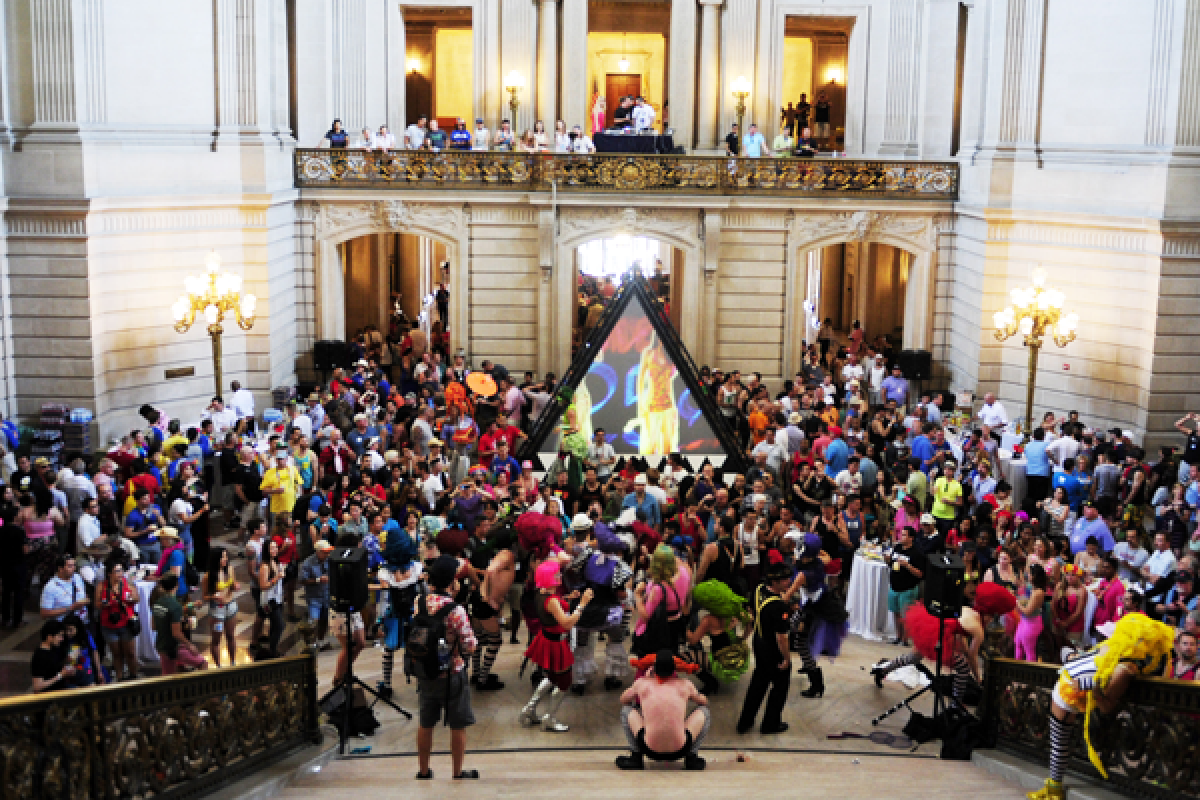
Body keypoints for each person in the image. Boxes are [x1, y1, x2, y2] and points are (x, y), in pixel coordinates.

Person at [1025, 615, 1175, 800]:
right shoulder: (1115, 650)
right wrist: (1075, 659)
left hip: (1068, 694)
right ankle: (1054, 785)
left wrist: (1091, 685)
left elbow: (1106, 706)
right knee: (1058, 742)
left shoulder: (1125, 668)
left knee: (1059, 742)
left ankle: (1055, 787)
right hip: (1067, 685)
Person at [413, 554, 479, 781]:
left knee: (426, 722)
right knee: (457, 724)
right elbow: (470, 646)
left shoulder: (419, 602)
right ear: (452, 582)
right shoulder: (456, 610)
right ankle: (457, 772)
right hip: (452, 672)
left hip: (425, 671)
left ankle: (423, 771)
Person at [520, 559, 594, 732]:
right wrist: (582, 604)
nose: (559, 575)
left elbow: (553, 606)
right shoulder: (551, 600)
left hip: (548, 639)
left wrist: (568, 598)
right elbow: (567, 623)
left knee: (552, 677)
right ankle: (549, 718)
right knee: (564, 681)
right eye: (556, 574)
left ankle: (529, 709)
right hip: (555, 643)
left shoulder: (542, 592)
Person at [615, 650, 710, 771]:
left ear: (654, 668)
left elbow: (623, 700)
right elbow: (704, 701)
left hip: (648, 748)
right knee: (704, 711)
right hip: (681, 749)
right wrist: (691, 694)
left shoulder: (642, 683)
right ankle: (691, 757)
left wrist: (646, 679)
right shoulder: (686, 685)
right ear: (674, 670)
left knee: (626, 710)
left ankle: (636, 757)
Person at [736, 552, 794, 734]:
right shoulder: (779, 607)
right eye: (784, 580)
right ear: (775, 583)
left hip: (759, 642)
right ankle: (770, 724)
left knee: (758, 683)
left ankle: (745, 722)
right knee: (779, 687)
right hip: (773, 649)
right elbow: (782, 637)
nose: (788, 582)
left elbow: (751, 612)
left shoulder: (759, 589)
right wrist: (786, 658)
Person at [154, 574, 208, 674]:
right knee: (202, 664)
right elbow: (176, 633)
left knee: (167, 676)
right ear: (177, 585)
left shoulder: (157, 603)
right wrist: (190, 645)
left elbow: (153, 626)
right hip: (174, 646)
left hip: (161, 645)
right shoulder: (175, 606)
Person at [96, 558, 140, 681]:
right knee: (117, 654)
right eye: (117, 571)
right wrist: (106, 604)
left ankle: (133, 676)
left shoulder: (128, 583)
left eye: (121, 570)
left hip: (127, 622)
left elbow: (137, 599)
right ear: (109, 573)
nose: (121, 573)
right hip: (109, 624)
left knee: (130, 654)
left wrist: (132, 598)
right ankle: (119, 679)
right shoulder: (102, 586)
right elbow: (97, 604)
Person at [887, 526, 925, 646]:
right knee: (896, 613)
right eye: (901, 534)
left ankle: (905, 639)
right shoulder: (897, 547)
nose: (900, 537)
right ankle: (898, 636)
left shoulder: (917, 553)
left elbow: (920, 574)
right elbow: (892, 564)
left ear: (911, 538)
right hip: (894, 587)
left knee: (906, 616)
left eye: (904, 535)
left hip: (907, 589)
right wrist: (887, 560)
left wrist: (907, 565)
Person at [204, 546, 240, 666]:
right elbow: (204, 596)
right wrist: (213, 597)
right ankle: (218, 666)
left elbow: (233, 585)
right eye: (222, 557)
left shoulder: (230, 569)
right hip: (217, 611)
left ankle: (233, 662)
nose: (225, 559)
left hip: (230, 607)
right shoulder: (208, 576)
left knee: (231, 635)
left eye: (226, 556)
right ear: (216, 559)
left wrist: (235, 586)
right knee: (216, 639)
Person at [1014, 564, 1048, 662]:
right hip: (1023, 621)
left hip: (1032, 624)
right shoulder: (1030, 587)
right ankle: (1017, 671)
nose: (1027, 574)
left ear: (1035, 576)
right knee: (1018, 645)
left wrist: (1016, 603)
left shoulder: (1038, 592)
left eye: (1029, 573)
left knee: (1029, 651)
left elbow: (1028, 612)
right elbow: (1021, 588)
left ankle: (1029, 675)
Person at [31, 619, 74, 692]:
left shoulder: (54, 649)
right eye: (60, 636)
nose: (62, 639)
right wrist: (60, 675)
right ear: (50, 637)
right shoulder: (40, 657)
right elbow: (37, 686)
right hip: (50, 697)